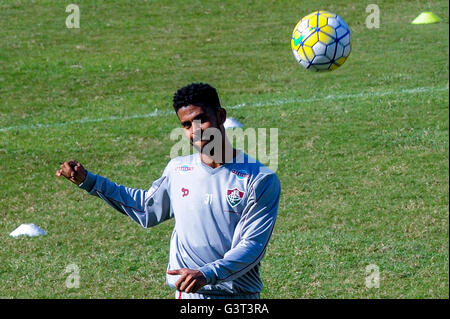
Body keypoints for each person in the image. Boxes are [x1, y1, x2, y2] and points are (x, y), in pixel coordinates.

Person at [56, 83, 281, 299]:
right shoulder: (178, 170)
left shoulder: (259, 179)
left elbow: (252, 246)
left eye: (201, 120)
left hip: (238, 295)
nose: (195, 131)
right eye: (186, 125)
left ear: (220, 116)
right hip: (189, 294)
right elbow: (147, 209)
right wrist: (89, 181)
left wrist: (207, 274)